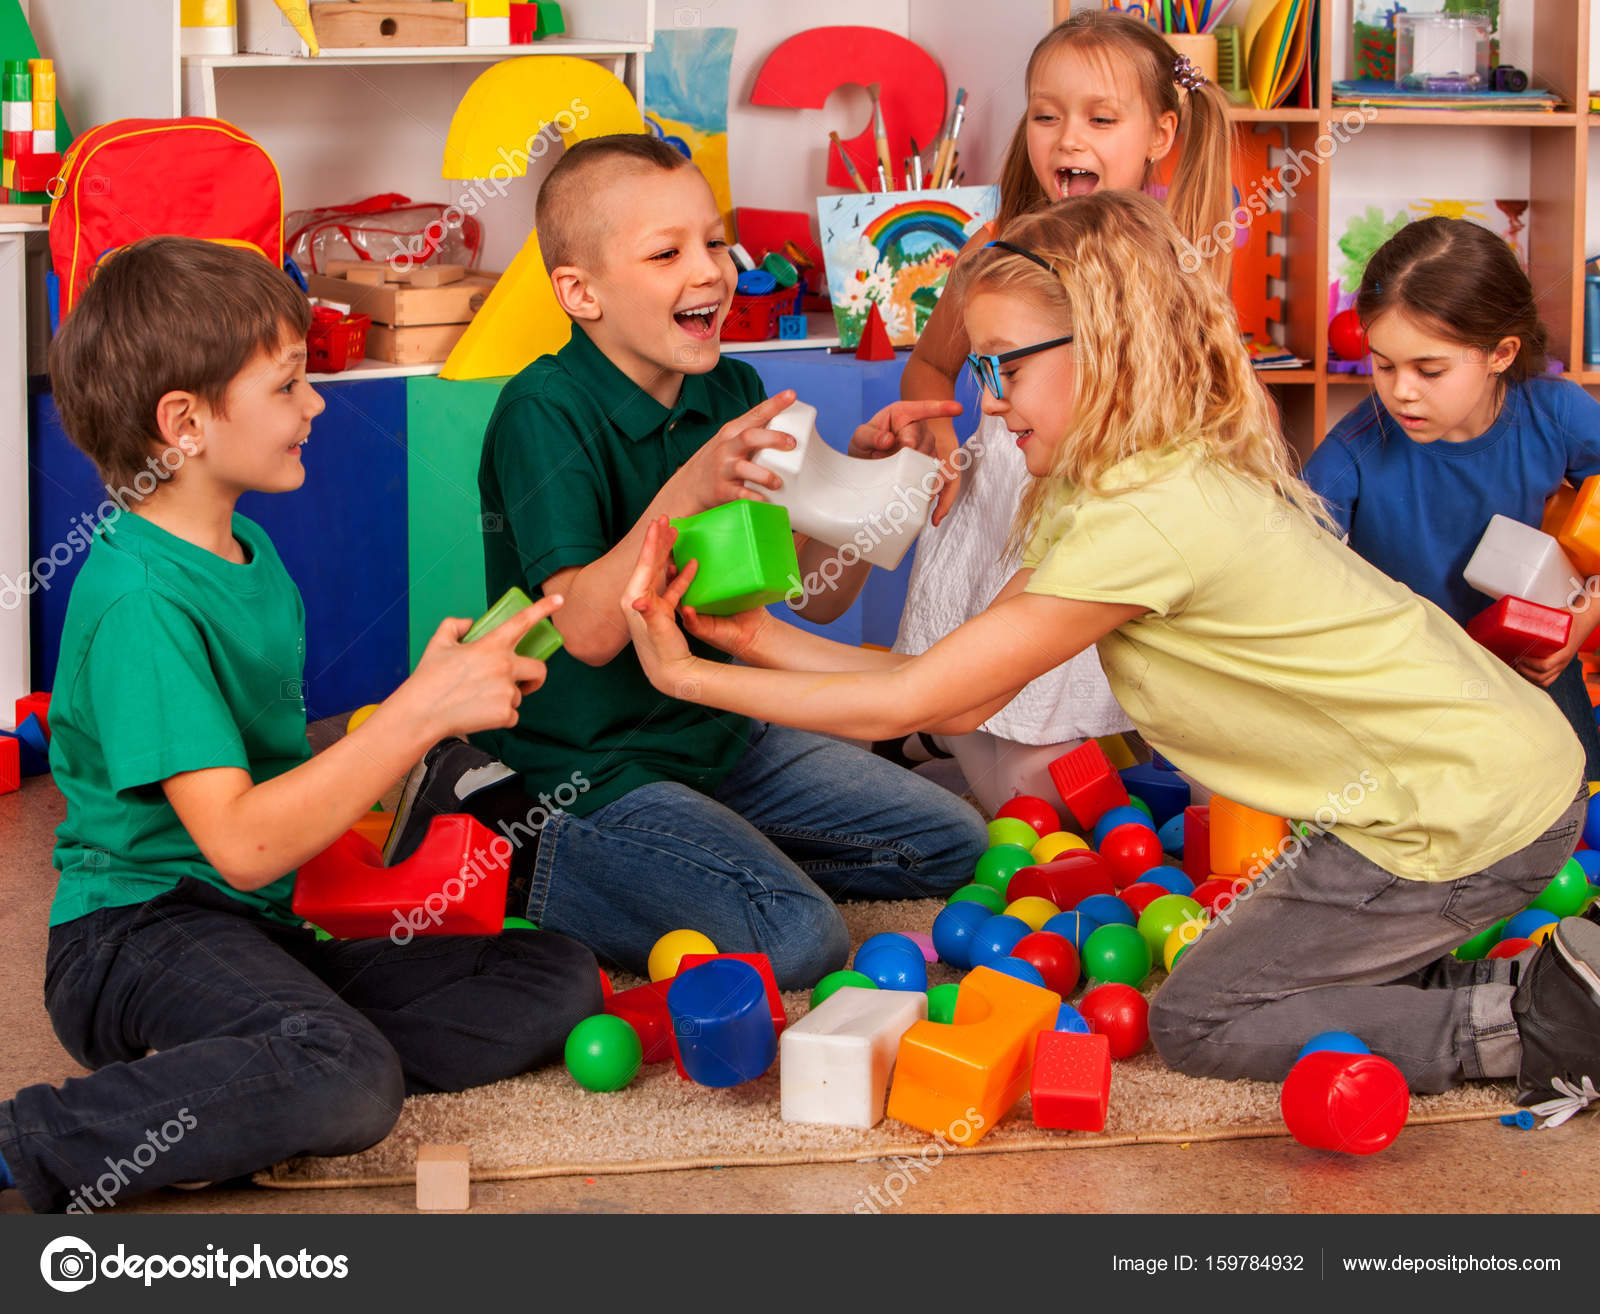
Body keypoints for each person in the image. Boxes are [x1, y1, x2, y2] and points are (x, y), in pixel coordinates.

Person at [620, 191, 1597, 1105]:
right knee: (1256, 971)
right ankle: (1546, 973)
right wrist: (753, 638)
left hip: (1462, 803)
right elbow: (949, 688)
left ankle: (1530, 1025)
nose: (989, 401)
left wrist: (686, 677)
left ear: (1106, 346)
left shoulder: (1141, 515)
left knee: (1201, 1018)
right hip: (1457, 782)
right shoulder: (1116, 486)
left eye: (1006, 364)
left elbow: (911, 705)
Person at [0, 237, 602, 1213]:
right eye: (287, 387)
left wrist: (435, 693)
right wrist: (417, 715)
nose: (316, 406)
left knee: (553, 977)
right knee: (349, 1078)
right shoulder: (140, 604)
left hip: (255, 927)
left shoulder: (248, 552)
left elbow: (273, 825)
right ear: (185, 424)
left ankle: (255, 1068)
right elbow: (238, 844)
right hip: (137, 938)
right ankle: (34, 1136)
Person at [388, 134, 988, 992]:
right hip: (588, 766)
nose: (708, 270)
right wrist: (689, 485)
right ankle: (506, 832)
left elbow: (807, 599)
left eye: (715, 242)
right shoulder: (542, 412)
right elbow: (589, 633)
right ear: (580, 292)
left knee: (949, 844)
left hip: (724, 735)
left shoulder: (733, 392)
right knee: (797, 937)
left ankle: (692, 854)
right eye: (667, 253)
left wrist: (857, 489)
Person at [866, 9, 1237, 814]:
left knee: (1120, 737)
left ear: (1160, 134)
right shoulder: (996, 249)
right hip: (1006, 504)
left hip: (1104, 523)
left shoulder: (1174, 261)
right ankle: (936, 735)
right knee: (1038, 797)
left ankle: (935, 740)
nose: (1069, 138)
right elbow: (931, 361)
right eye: (1046, 115)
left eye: (1102, 119)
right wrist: (931, 420)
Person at [1304, 216, 1600, 781]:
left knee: (1577, 796)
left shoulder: (1554, 413)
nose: (1401, 390)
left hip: (1528, 664)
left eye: (1429, 369)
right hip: (1410, 680)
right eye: (1383, 364)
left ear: (1500, 354)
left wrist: (1581, 621)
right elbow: (1284, 560)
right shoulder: (1355, 450)